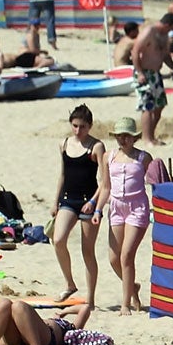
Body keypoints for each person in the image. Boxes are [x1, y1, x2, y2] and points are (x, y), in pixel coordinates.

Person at [101, 117, 158, 314]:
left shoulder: (144, 158)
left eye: (126, 136)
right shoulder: (108, 156)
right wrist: (97, 207)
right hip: (116, 206)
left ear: (134, 137)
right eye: (119, 136)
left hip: (137, 207)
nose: (122, 139)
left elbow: (156, 182)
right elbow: (105, 186)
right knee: (113, 258)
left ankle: (126, 304)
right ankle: (132, 287)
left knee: (127, 256)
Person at [50, 104, 106, 305]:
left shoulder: (96, 146)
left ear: (89, 126)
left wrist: (95, 203)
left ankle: (90, 299)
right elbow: (63, 174)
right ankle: (69, 284)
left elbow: (104, 180)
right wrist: (55, 201)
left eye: (82, 126)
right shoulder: (64, 144)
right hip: (68, 198)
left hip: (88, 201)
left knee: (87, 251)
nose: (78, 130)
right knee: (58, 240)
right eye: (74, 126)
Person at [131, 16, 173, 143]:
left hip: (156, 74)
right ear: (167, 25)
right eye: (172, 28)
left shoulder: (164, 36)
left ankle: (151, 135)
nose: (172, 31)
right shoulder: (150, 31)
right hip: (144, 73)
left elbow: (165, 55)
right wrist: (139, 73)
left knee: (159, 105)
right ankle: (146, 139)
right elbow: (135, 51)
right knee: (147, 106)